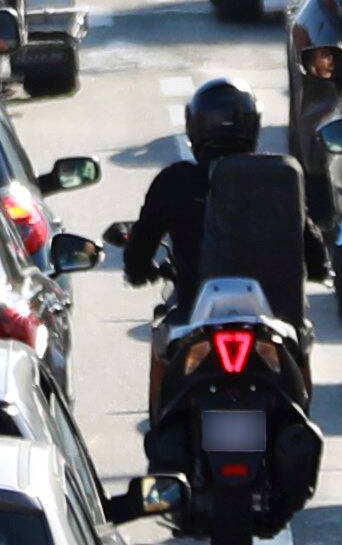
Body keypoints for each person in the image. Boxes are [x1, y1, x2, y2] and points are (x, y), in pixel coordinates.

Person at [122, 78, 308, 408]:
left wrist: (140, 271)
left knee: (162, 337)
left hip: (197, 321)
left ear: (195, 127)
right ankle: (302, 409)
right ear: (252, 125)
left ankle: (160, 417)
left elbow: (139, 248)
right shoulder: (278, 178)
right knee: (300, 341)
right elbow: (311, 243)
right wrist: (320, 265)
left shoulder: (174, 180)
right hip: (270, 327)